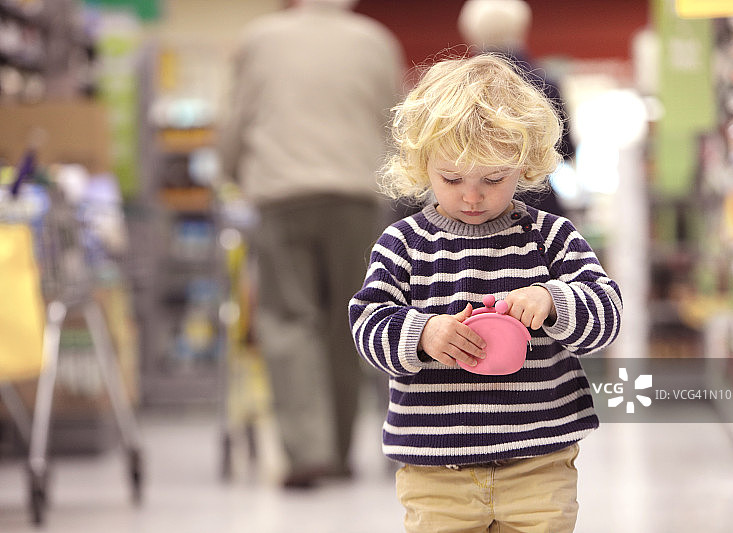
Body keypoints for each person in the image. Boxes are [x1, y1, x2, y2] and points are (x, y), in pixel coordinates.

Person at [348, 54, 622, 532]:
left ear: (525, 163)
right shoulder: (403, 245)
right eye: (451, 179)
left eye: (493, 179)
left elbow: (607, 313)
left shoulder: (551, 238)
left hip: (539, 460)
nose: (471, 196)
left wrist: (554, 301)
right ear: (422, 164)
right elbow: (368, 324)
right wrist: (422, 333)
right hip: (436, 471)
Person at [218, 0, 405, 489]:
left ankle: (308, 450)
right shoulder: (375, 40)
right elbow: (396, 124)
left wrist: (232, 170)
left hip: (282, 193)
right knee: (355, 317)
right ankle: (341, 452)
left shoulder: (261, 37)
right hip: (358, 195)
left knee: (289, 319)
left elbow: (237, 119)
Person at [458, 0, 575, 215]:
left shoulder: (455, 89)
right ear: (522, 28)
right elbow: (565, 150)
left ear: (469, 31)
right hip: (539, 203)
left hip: (472, 208)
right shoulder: (545, 85)